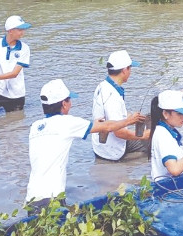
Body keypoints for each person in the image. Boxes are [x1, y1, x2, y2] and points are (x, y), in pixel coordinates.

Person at [26, 79, 144, 209]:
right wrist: (129, 120)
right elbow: (109, 126)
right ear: (64, 104)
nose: (71, 104)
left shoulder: (35, 127)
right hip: (51, 199)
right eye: (69, 100)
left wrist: (97, 124)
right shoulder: (66, 123)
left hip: (31, 198)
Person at [92, 50, 151, 160]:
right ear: (124, 70)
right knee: (150, 143)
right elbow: (119, 133)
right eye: (130, 68)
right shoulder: (113, 97)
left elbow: (112, 117)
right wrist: (145, 135)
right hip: (111, 150)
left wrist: (130, 117)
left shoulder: (102, 86)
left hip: (99, 146)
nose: (130, 72)